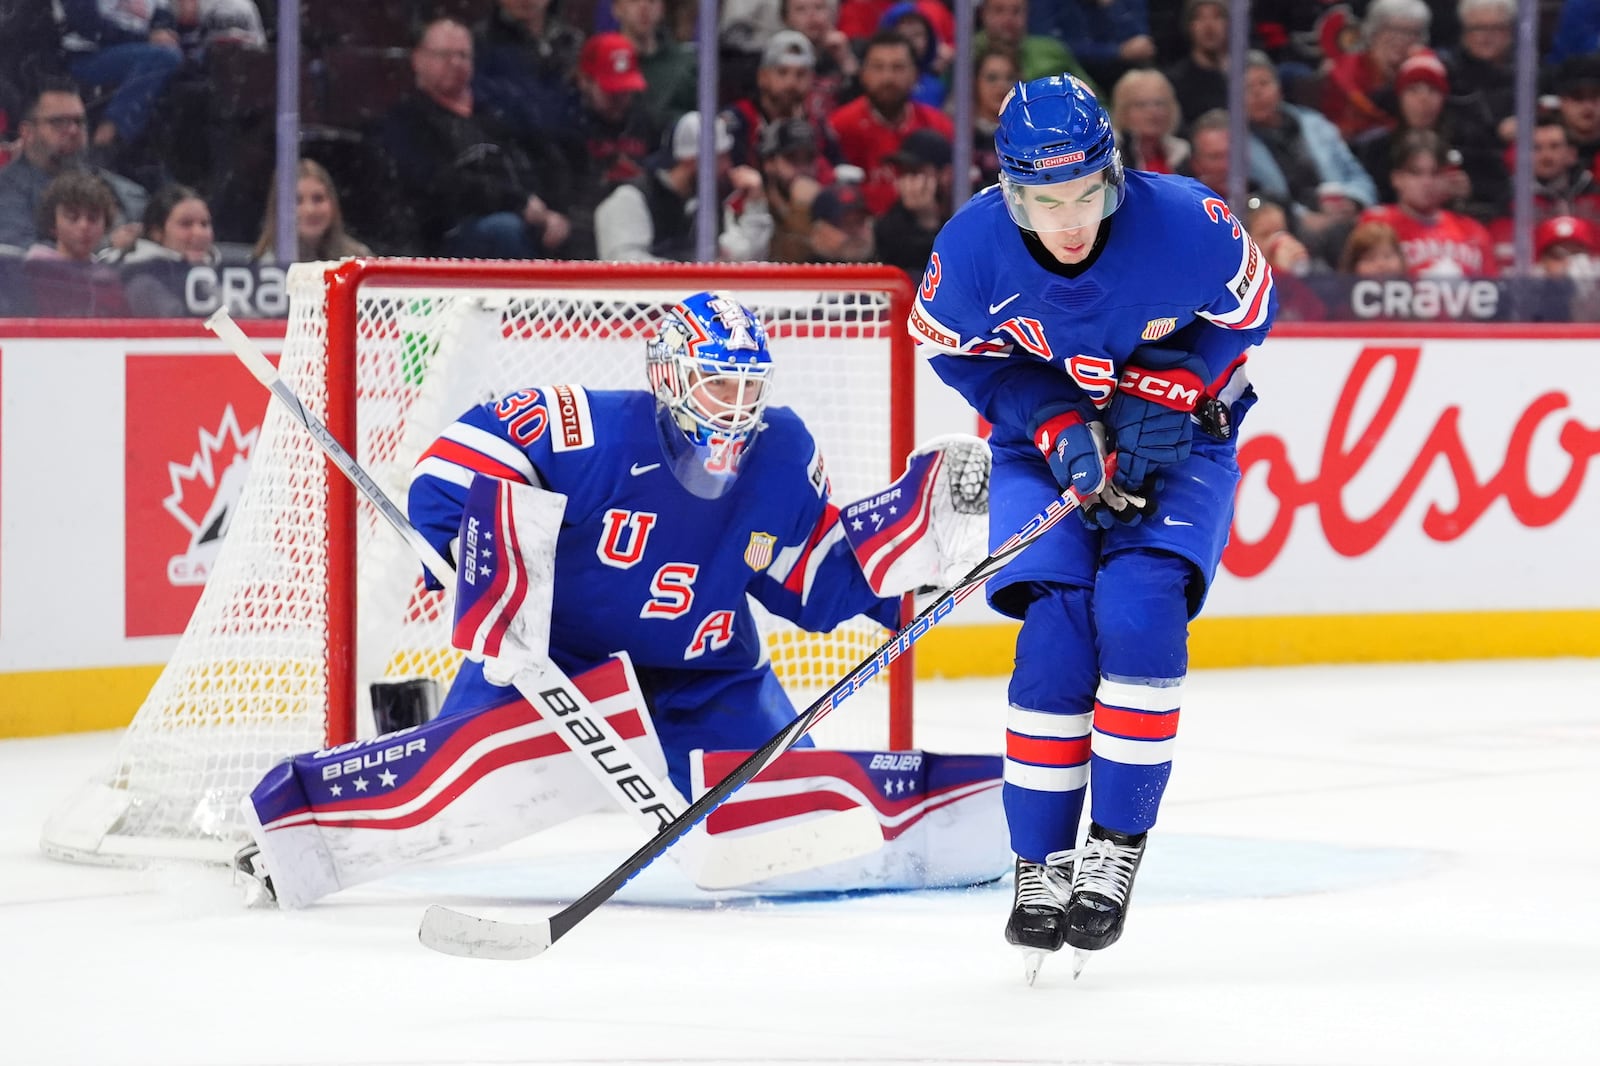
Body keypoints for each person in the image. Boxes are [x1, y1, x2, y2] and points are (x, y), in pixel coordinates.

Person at [232, 291, 1001, 908]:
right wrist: (487, 575)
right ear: (668, 378)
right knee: (451, 791)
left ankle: (979, 817)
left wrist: (911, 554)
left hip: (708, 677)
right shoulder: (587, 429)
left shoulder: (782, 452)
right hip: (560, 669)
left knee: (783, 816)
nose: (736, 406)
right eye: (717, 382)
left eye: (748, 386)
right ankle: (286, 833)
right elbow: (461, 458)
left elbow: (806, 578)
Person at [908, 74, 1276, 978]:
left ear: (1113, 175)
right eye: (1042, 201)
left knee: (1142, 605)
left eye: (1083, 195)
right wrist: (1055, 420)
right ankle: (1041, 862)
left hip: (1184, 437)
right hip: (1046, 446)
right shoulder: (973, 251)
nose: (1067, 222)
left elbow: (1250, 315)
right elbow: (957, 355)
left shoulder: (1188, 222)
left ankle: (1114, 845)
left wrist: (1180, 385)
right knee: (1057, 630)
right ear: (1009, 191)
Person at [380, 17, 574, 259]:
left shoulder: (501, 107)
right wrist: (517, 202)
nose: (455, 63)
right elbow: (439, 184)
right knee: (505, 230)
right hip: (454, 232)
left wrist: (556, 211)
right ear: (418, 60)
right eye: (444, 55)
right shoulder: (406, 120)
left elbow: (549, 158)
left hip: (531, 214)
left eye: (463, 55)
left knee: (582, 226)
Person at [593, 110, 773, 261]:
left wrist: (755, 205)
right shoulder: (631, 198)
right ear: (692, 160)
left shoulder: (705, 203)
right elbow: (624, 265)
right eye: (720, 158)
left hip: (691, 301)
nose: (728, 166)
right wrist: (692, 274)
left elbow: (740, 257)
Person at [0, 80, 147, 253]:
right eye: (58, 122)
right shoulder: (7, 189)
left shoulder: (112, 185)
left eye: (79, 122)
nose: (73, 130)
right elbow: (19, 255)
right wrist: (108, 246)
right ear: (27, 132)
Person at [826, 32, 955, 216]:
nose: (888, 77)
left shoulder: (939, 126)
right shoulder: (840, 126)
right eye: (878, 67)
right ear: (863, 74)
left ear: (915, 75)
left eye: (898, 68)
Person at [19, 170, 130, 316]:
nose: (84, 226)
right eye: (72, 217)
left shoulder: (109, 280)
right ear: (53, 224)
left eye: (93, 218)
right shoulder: (32, 271)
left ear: (105, 226)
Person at [108, 182, 218, 315]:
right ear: (157, 232)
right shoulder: (142, 282)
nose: (199, 233)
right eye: (186, 224)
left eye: (204, 224)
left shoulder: (220, 273)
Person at [250, 159, 371, 264]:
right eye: (297, 201)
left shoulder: (359, 259)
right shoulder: (265, 267)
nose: (310, 210)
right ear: (278, 209)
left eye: (318, 198)